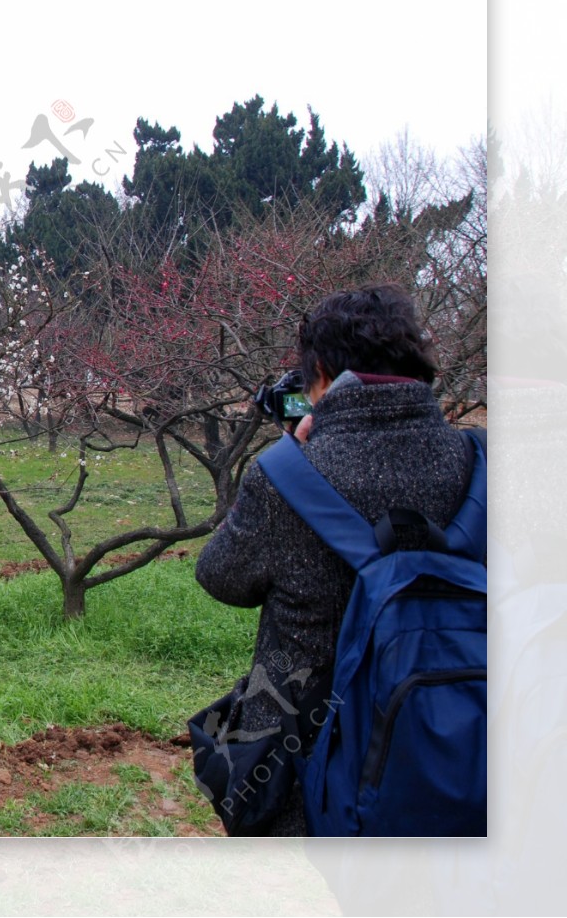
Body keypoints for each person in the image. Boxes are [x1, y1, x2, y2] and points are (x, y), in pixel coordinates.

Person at [194, 283, 477, 835]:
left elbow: (220, 576)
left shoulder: (286, 477)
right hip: (460, 750)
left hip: (306, 762)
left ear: (318, 370)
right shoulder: (486, 464)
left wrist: (292, 459)